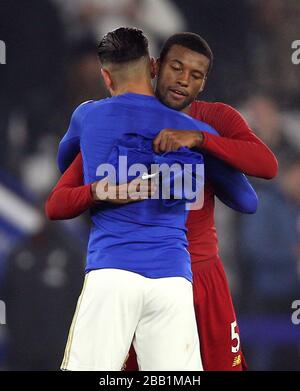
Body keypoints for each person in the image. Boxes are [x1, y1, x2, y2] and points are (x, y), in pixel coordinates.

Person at [46, 32, 278, 370]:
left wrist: (200, 142)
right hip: (172, 273)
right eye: (176, 68)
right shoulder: (116, 124)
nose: (183, 80)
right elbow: (245, 198)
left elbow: (260, 177)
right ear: (156, 67)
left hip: (195, 271)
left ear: (204, 82)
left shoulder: (212, 121)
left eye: (195, 75)